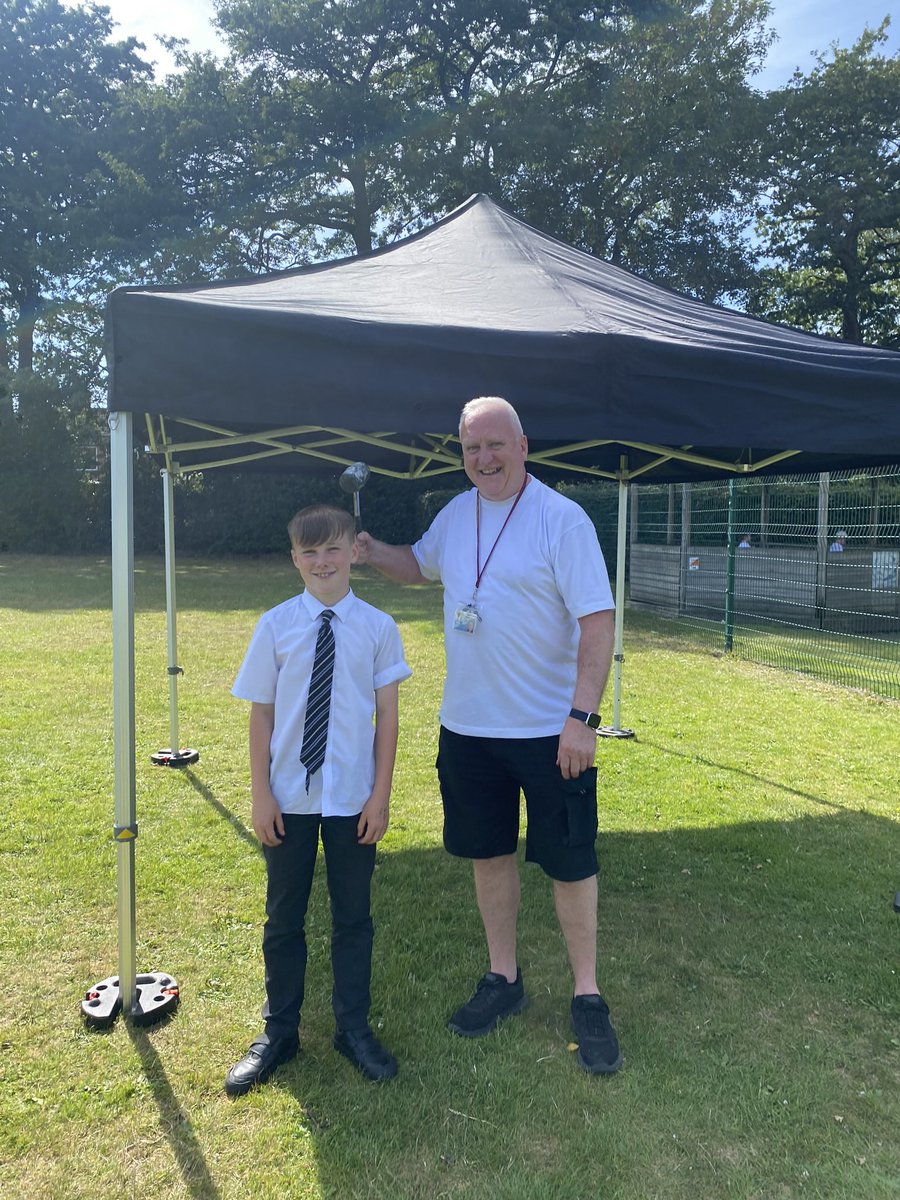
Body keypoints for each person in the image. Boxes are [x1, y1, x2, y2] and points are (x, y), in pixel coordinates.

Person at [356, 396, 621, 1074]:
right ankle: (504, 977)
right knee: (489, 855)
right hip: (469, 730)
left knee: (570, 861)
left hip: (550, 732)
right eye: (472, 447)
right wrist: (372, 551)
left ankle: (587, 994)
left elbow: (597, 622)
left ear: (523, 446)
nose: (484, 458)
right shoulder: (456, 513)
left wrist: (583, 719)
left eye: (496, 444)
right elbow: (419, 565)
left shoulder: (561, 519)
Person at [226, 504, 411, 1096]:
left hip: (353, 798)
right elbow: (261, 716)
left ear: (353, 552)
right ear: (295, 560)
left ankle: (352, 1029)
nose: (322, 561)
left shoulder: (378, 628)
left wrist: (380, 796)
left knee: (353, 918)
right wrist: (261, 795)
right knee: (284, 917)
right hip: (289, 797)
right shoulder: (275, 626)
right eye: (310, 552)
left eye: (333, 549)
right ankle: (279, 1032)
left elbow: (387, 720)